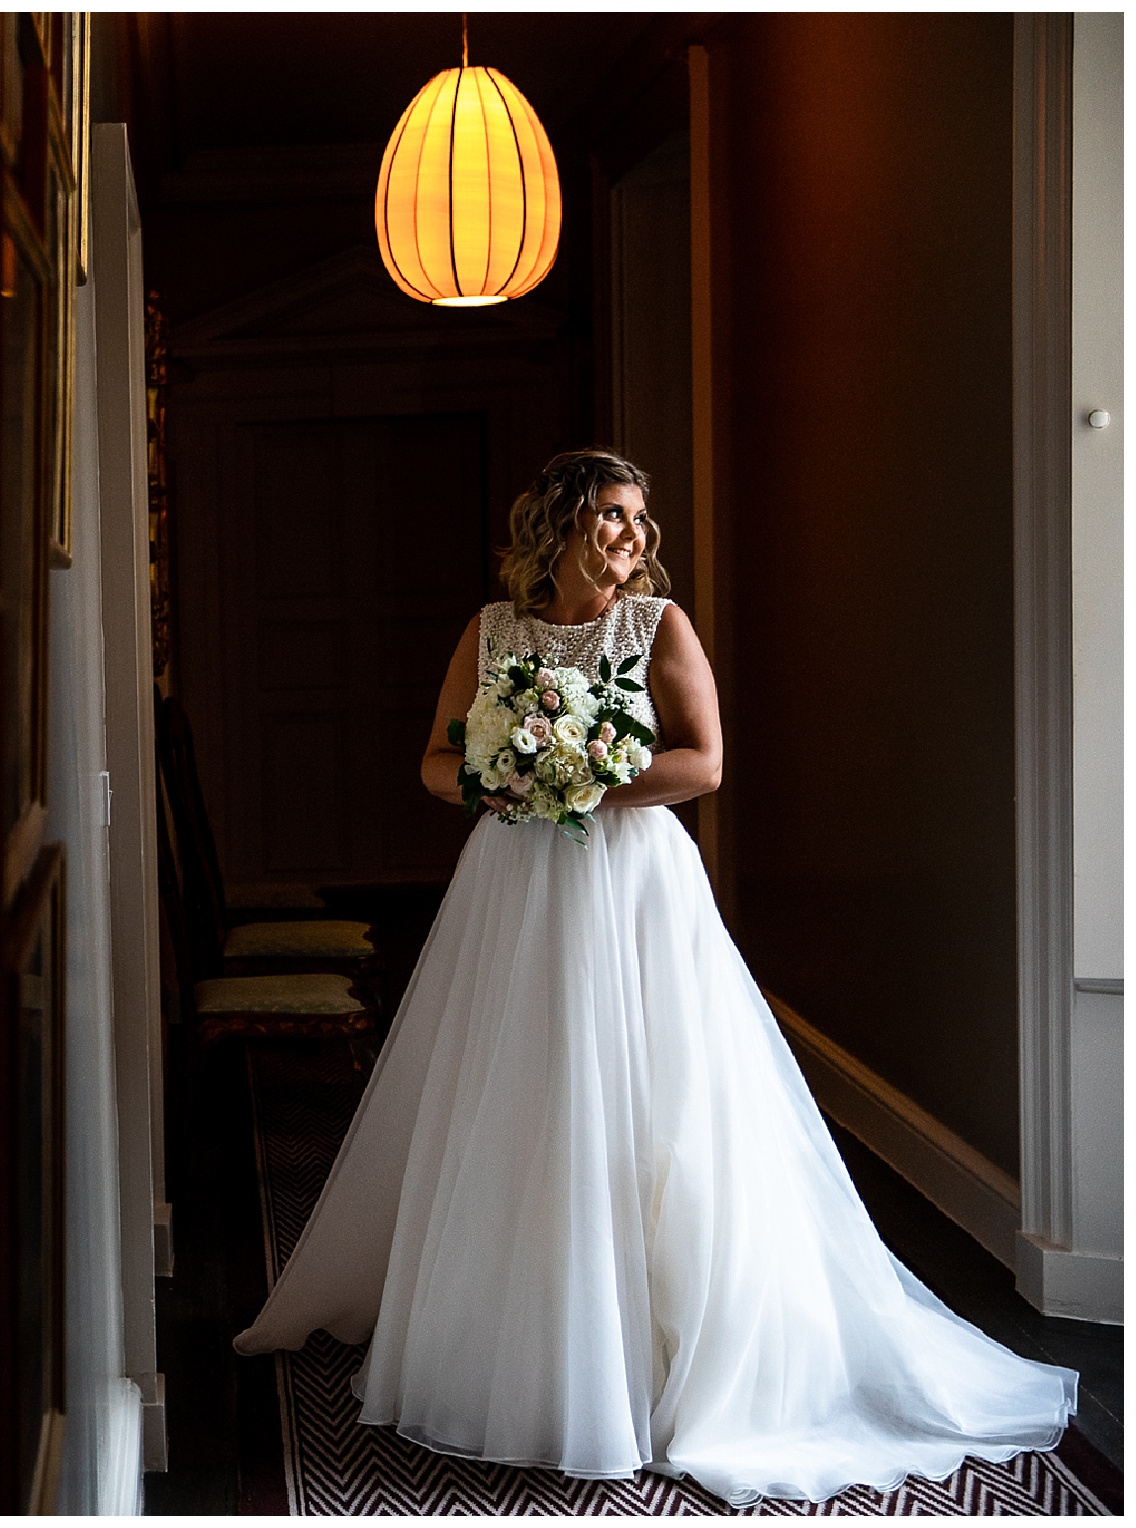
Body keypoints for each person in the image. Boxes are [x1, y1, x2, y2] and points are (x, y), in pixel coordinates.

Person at [233, 448, 1076, 1507]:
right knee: (524, 1089)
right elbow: (437, 761)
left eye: (640, 519)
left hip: (631, 885)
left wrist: (590, 778)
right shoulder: (494, 631)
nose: (633, 535)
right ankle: (528, 1334)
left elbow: (705, 760)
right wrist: (507, 779)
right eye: (612, 517)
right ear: (561, 524)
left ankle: (662, 1342)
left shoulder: (658, 628)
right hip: (514, 883)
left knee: (657, 1097)